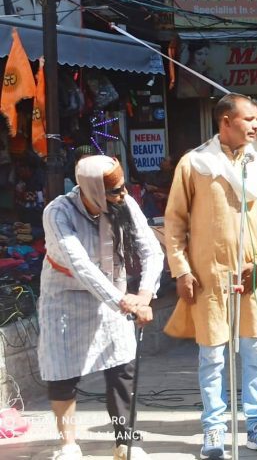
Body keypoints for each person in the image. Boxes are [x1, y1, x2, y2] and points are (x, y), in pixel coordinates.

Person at [164, 93, 257, 459]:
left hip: (250, 278)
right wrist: (181, 269)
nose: (256, 126)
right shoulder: (195, 164)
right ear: (225, 122)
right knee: (212, 357)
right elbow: (174, 222)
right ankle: (214, 429)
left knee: (255, 354)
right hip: (208, 278)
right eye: (249, 119)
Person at [38, 155, 164, 460]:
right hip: (66, 296)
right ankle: (68, 443)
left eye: (123, 189)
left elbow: (151, 250)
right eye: (115, 191)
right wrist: (124, 303)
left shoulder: (125, 205)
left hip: (116, 292)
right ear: (91, 190)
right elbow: (81, 266)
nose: (123, 196)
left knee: (122, 366)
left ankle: (124, 440)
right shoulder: (57, 212)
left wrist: (144, 295)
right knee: (62, 373)